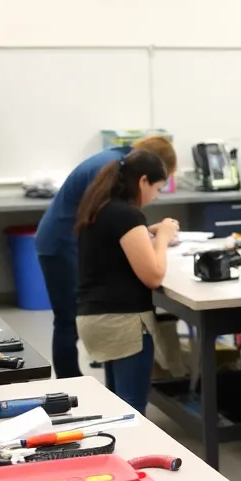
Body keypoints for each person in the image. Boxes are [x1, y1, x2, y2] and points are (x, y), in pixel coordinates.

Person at [36, 136, 177, 378]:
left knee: (70, 317)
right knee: (67, 319)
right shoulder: (112, 167)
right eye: (158, 186)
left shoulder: (119, 160)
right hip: (62, 242)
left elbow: (110, 223)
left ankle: (96, 368)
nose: (156, 194)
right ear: (147, 175)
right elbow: (111, 220)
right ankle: (70, 382)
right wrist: (153, 237)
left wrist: (141, 233)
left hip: (67, 238)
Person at [74, 149, 178, 414]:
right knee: (132, 408)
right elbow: (154, 276)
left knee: (117, 403)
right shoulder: (127, 215)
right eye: (157, 188)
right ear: (143, 181)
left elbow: (116, 246)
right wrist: (163, 237)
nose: (155, 196)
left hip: (96, 318)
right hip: (123, 322)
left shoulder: (101, 207)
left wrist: (147, 233)